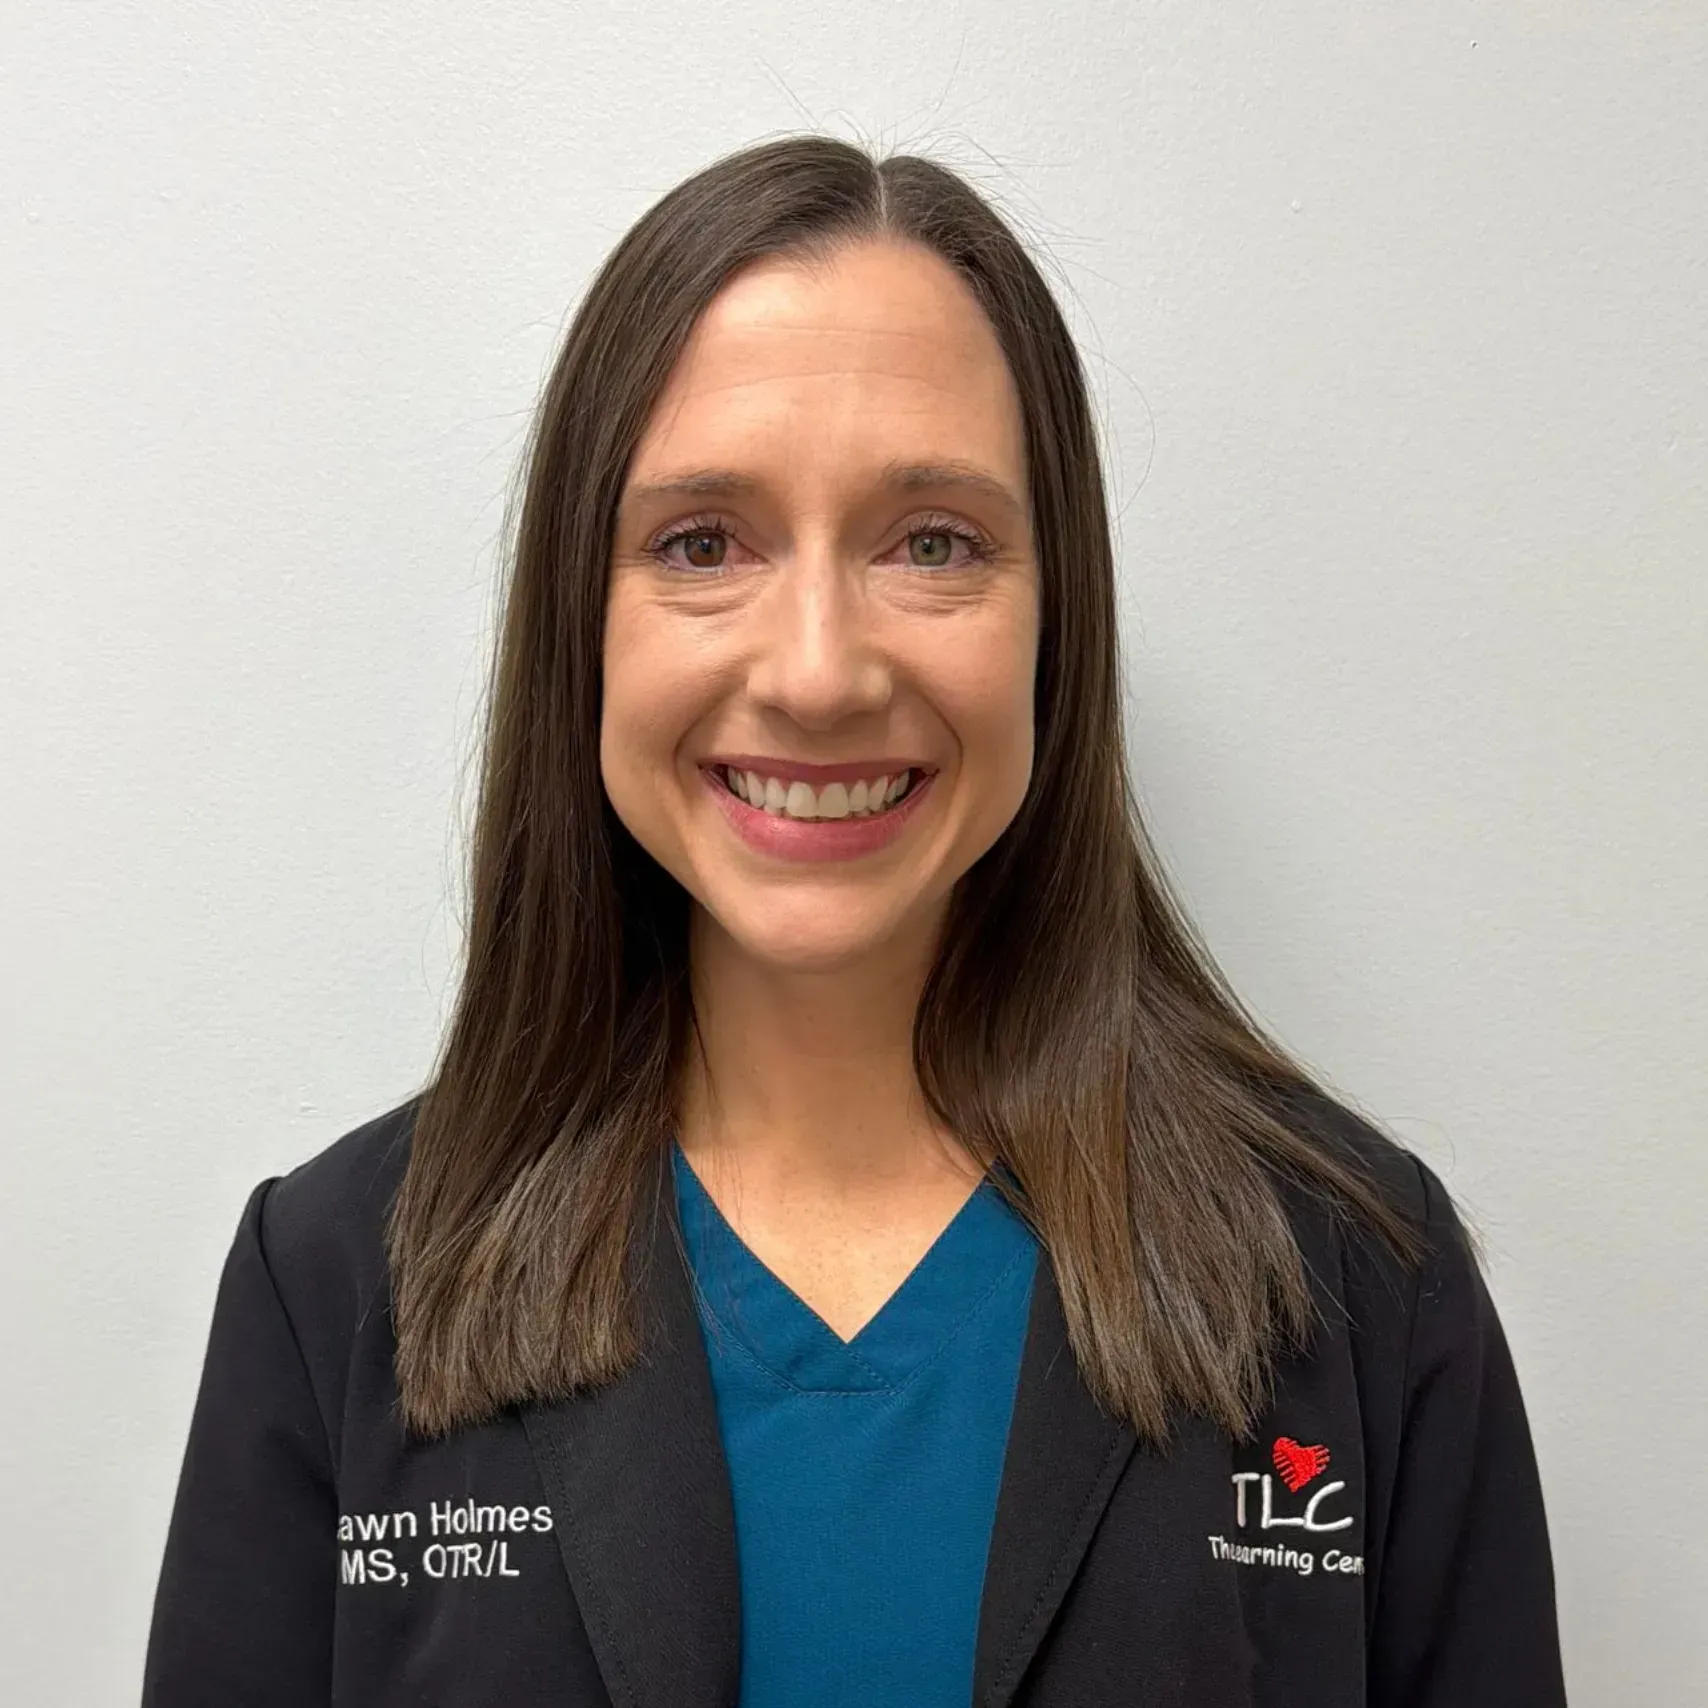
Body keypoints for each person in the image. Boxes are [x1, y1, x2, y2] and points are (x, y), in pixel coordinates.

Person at [141, 133, 1567, 1707]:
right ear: (581, 624)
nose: (818, 670)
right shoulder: (339, 1283)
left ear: (1055, 624)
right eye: (702, 544)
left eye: (933, 543)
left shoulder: (1363, 1284)